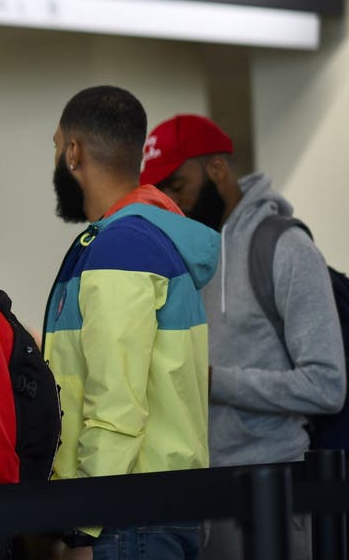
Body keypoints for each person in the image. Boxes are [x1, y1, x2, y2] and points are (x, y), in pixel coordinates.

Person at [141, 114, 346, 560]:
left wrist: (217, 381)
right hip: (201, 496)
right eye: (162, 192)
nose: (172, 202)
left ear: (217, 169)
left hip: (275, 493)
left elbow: (327, 385)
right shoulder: (188, 257)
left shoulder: (285, 248)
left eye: (178, 185)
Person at [44, 87, 219, 559]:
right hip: (155, 508)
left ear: (74, 152)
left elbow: (116, 406)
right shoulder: (147, 236)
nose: (58, 157)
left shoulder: (122, 247)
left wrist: (84, 528)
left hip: (126, 519)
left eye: (57, 146)